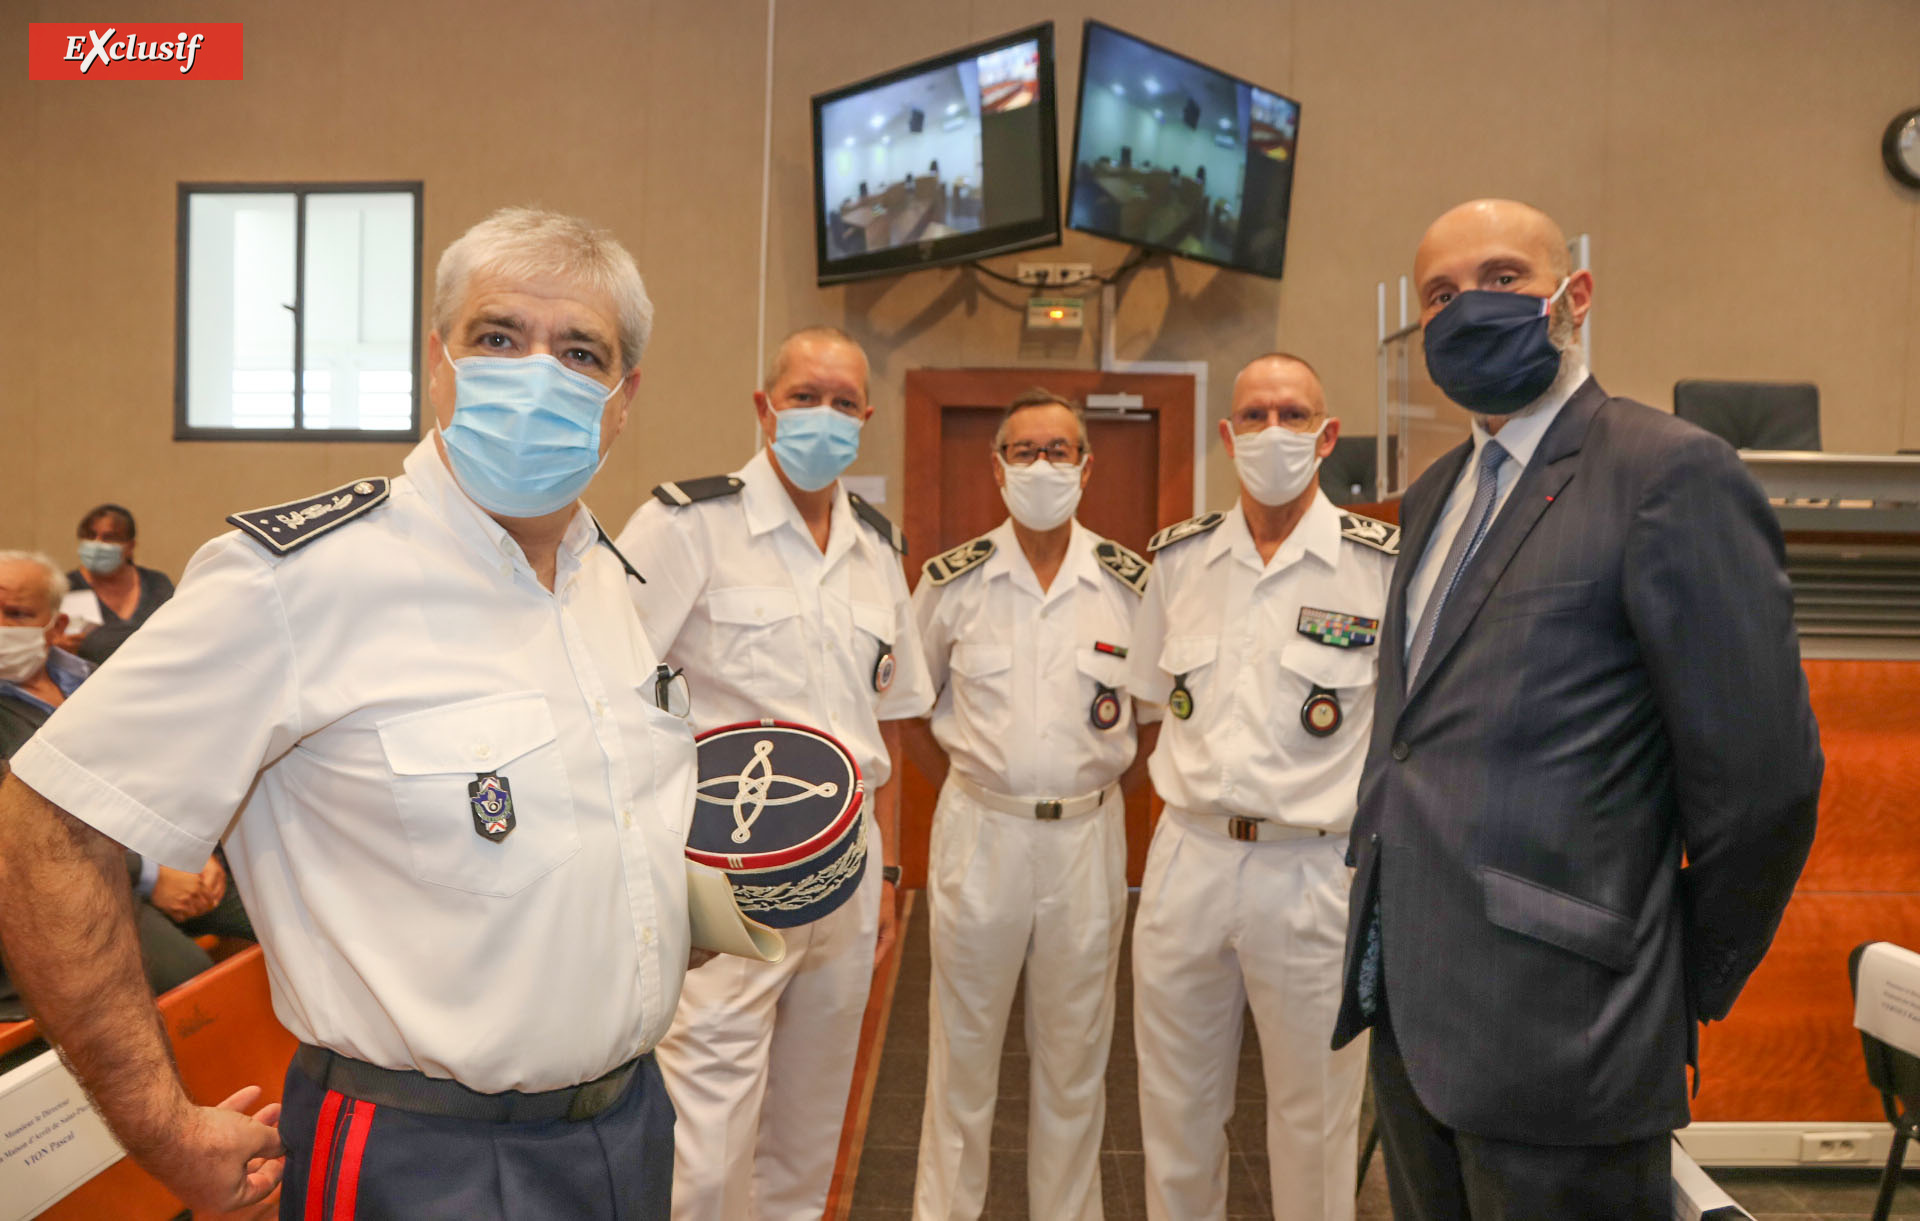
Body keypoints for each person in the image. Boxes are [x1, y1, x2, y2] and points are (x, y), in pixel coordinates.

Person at [0, 206, 697, 1219]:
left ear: (623, 398)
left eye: (580, 352)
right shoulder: (301, 579)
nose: (537, 372)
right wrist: (157, 1122)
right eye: (499, 338)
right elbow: (51, 824)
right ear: (440, 359)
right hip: (419, 1158)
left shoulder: (612, 585)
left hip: (627, 1129)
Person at [1330, 199, 1822, 1219]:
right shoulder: (1432, 496)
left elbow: (1763, 785)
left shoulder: (1667, 472)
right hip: (1416, 1025)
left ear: (1572, 297)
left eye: (1504, 279)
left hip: (1574, 1038)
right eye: (1442, 294)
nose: (1472, 308)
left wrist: (1667, 978)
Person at [617, 325, 934, 1221]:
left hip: (850, 865)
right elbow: (614, 684)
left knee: (811, 1118)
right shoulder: (690, 523)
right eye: (804, 397)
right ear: (765, 407)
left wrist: (890, 875)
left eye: (843, 402)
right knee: (708, 1119)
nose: (823, 416)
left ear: (866, 418)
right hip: (726, 866)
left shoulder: (878, 549)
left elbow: (893, 720)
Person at [1129, 354, 1396, 1221]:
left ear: (1327, 437)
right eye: (1253, 415)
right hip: (1188, 859)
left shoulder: (1378, 566)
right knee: (1174, 1116)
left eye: (1292, 414)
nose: (1271, 431)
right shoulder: (1179, 560)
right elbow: (1145, 703)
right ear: (1227, 434)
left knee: (1314, 1122)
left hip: (1313, 871)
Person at [905, 390, 1153, 1221]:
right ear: (997, 466)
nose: (1042, 466)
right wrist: (977, 788)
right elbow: (912, 706)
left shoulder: (1130, 587)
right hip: (980, 833)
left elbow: (1150, 722)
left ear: (1088, 466)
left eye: (1059, 450)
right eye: (1025, 451)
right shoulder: (954, 582)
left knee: (1077, 1059)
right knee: (961, 1057)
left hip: (1087, 835)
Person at [0, 549, 252, 1016]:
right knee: (190, 987)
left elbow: (163, 767)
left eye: (14, 614)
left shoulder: (93, 678)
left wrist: (197, 853)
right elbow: (24, 830)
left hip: (164, 854)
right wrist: (153, 874)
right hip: (77, 881)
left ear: (55, 627)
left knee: (280, 921)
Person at [60, 503, 176, 664]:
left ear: (130, 546)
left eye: (109, 538)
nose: (98, 544)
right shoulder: (64, 589)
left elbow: (176, 635)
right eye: (90, 536)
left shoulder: (157, 584)